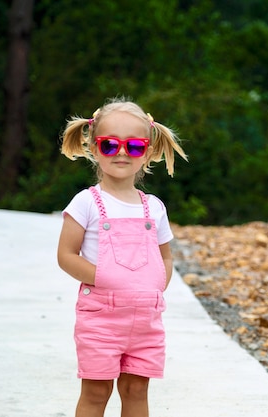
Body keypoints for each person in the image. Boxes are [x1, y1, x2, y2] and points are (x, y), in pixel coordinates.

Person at [57, 97, 187, 417]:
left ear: (149, 151)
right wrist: (104, 277)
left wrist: (157, 284)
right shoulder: (86, 203)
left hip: (145, 320)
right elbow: (66, 255)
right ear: (93, 147)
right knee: (96, 390)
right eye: (110, 145)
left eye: (134, 146)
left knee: (136, 389)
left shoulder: (153, 207)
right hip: (101, 318)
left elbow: (166, 257)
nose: (123, 153)